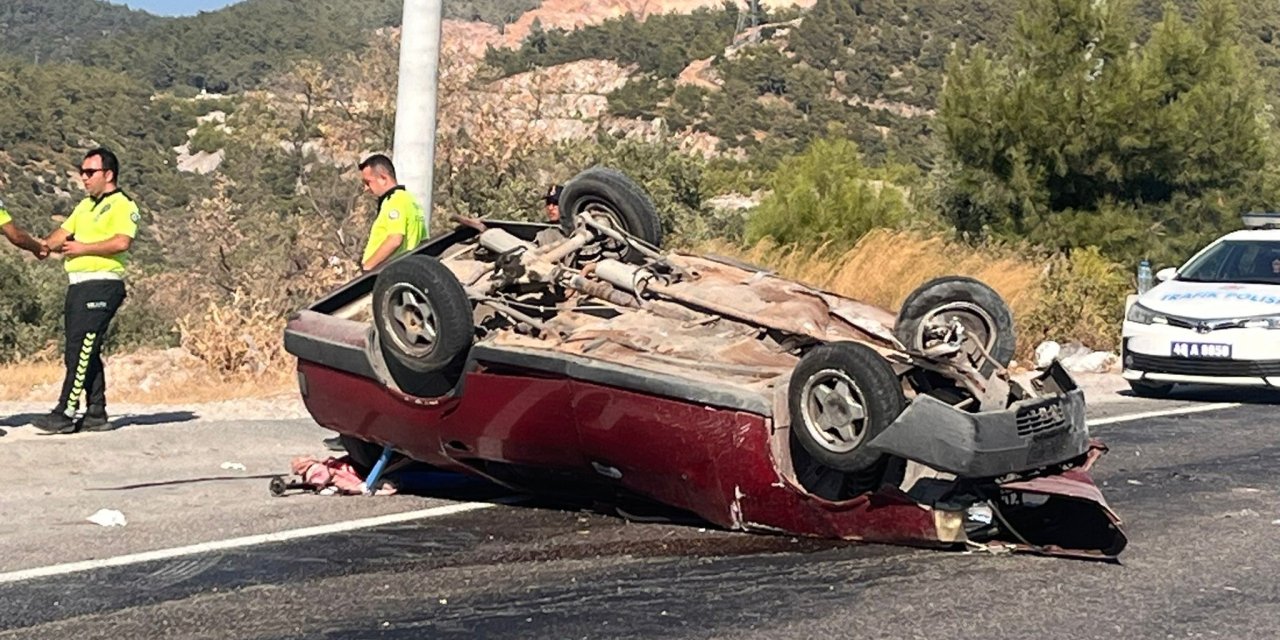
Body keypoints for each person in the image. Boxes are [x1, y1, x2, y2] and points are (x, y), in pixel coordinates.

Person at [32, 148, 139, 434]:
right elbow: (60, 235)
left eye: (90, 172)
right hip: (78, 284)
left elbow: (122, 242)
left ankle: (66, 411)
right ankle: (95, 412)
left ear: (108, 174)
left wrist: (83, 248)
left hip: (103, 283)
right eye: (82, 172)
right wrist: (40, 246)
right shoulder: (84, 206)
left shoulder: (122, 205)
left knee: (83, 347)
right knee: (78, 350)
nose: (84, 177)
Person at [357, 154, 427, 272]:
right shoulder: (411, 200)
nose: (366, 188)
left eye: (368, 182)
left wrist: (368, 267)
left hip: (387, 272)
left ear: (383, 178)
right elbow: (423, 241)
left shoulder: (394, 201)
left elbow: (395, 239)